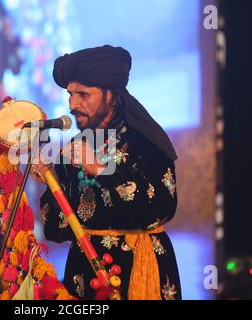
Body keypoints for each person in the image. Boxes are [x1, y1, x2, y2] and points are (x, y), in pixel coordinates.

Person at [31, 45, 181, 300]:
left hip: (138, 270)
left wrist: (102, 170)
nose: (72, 104)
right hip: (86, 275)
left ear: (111, 95)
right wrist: (51, 181)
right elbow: (57, 231)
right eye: (70, 94)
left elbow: (161, 205)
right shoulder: (75, 148)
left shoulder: (147, 141)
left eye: (83, 95)